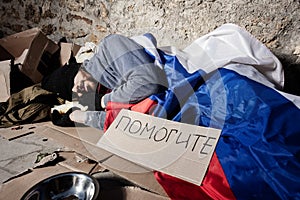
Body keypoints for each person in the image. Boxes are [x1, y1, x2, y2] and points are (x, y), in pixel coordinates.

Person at [68, 34, 168, 130]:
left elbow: (147, 83)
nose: (75, 89)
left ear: (79, 69)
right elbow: (130, 123)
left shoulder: (109, 46)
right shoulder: (108, 88)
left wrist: (104, 101)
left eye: (71, 83)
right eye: (74, 93)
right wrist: (87, 118)